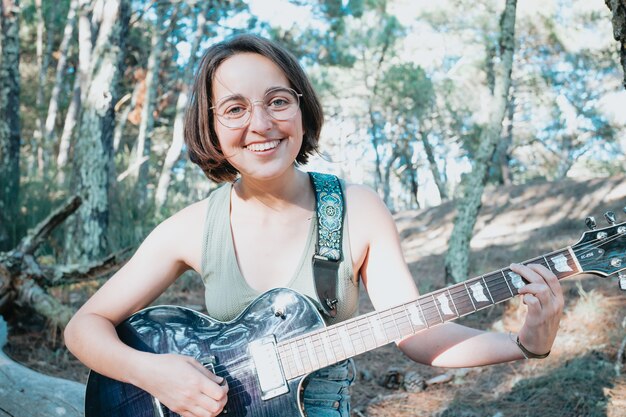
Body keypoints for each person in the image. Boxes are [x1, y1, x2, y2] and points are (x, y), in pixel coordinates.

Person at [64, 34, 564, 417]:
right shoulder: (191, 228)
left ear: (302, 109)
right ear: (211, 129)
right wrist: (153, 375)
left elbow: (419, 335)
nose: (261, 124)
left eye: (278, 101)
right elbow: (83, 328)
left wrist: (525, 343)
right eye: (236, 109)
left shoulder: (358, 209)